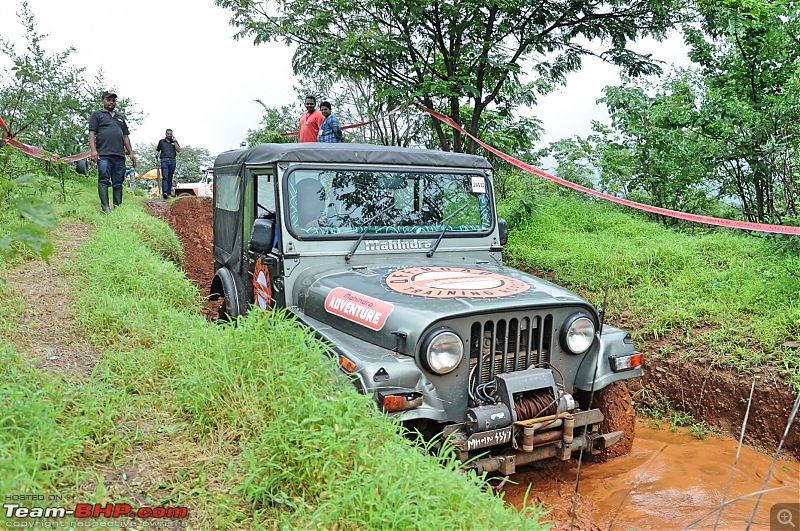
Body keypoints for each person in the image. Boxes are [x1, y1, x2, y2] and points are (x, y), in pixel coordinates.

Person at [88, 90, 136, 213]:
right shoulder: (97, 115)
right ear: (102, 101)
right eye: (108, 100)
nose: (111, 102)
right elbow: (92, 133)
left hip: (119, 155)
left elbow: (125, 136)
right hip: (103, 154)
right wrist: (93, 150)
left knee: (118, 181)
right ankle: (105, 207)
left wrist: (131, 153)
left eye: (113, 100)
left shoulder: (120, 118)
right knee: (103, 179)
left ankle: (118, 207)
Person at [155, 129, 181, 199]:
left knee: (170, 177)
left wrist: (175, 141)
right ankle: (165, 193)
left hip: (172, 160)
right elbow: (157, 150)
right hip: (164, 160)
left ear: (172, 134)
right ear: (165, 134)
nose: (169, 135)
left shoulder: (174, 142)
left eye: (170, 134)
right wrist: (156, 155)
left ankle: (169, 193)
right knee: (165, 177)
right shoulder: (161, 141)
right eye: (168, 134)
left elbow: (178, 150)